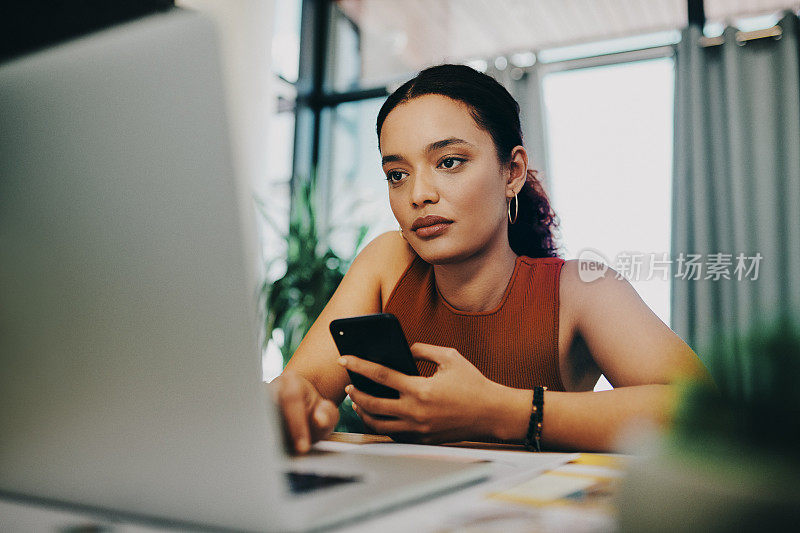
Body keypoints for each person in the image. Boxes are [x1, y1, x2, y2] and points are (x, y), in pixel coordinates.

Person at [273, 64, 711, 454]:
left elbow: (708, 414)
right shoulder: (389, 261)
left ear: (512, 172)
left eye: (449, 161)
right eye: (397, 175)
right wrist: (294, 401)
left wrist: (500, 411)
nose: (419, 195)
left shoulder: (582, 288)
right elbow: (302, 384)